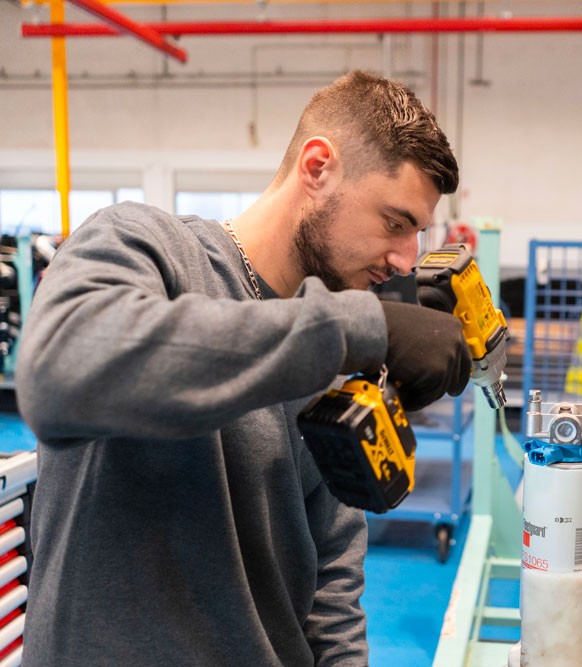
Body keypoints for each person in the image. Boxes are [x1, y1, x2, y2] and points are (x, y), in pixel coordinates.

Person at [15, 70, 472, 666]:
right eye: (395, 222)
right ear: (317, 167)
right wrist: (360, 328)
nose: (406, 259)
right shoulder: (148, 246)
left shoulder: (335, 353)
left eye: (417, 231)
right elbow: (60, 371)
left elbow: (332, 571)